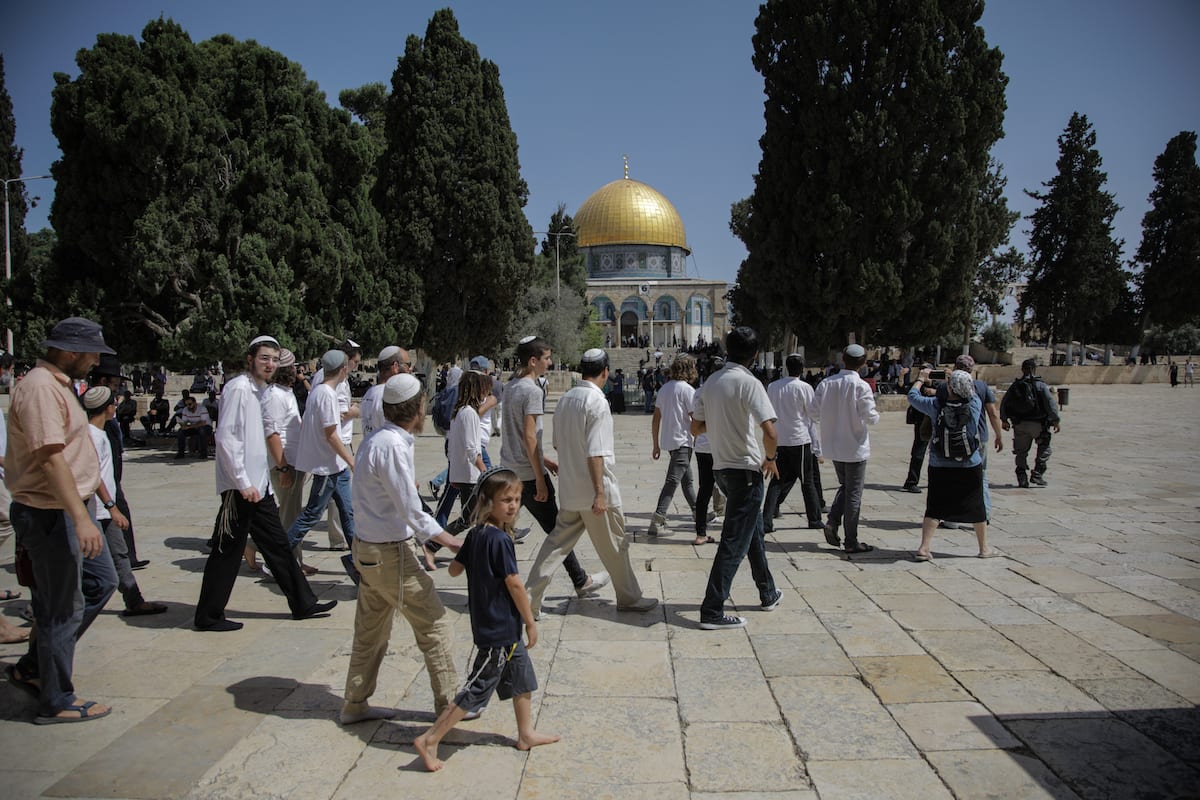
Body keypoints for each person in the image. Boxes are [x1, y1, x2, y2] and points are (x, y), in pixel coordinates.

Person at [5, 317, 118, 723]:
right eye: (91, 355)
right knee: (61, 607)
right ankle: (56, 699)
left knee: (100, 582)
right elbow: (50, 458)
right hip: (53, 513)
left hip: (71, 509)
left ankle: (38, 664)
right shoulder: (38, 388)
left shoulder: (58, 386)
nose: (94, 362)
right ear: (70, 352)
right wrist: (80, 518)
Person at [341, 373, 468, 725]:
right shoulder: (393, 446)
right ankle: (448, 707)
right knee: (435, 624)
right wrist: (451, 540)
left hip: (367, 549)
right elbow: (411, 510)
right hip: (387, 553)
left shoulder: (375, 440)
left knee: (371, 630)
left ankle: (355, 703)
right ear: (418, 409)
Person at [413, 468, 560, 771]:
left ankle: (525, 734)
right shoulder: (500, 540)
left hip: (498, 627)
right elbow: (514, 583)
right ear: (487, 501)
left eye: (517, 499)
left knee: (521, 679)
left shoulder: (477, 534)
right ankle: (430, 739)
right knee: (478, 687)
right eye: (506, 499)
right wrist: (530, 620)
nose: (513, 505)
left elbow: (454, 570)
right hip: (500, 628)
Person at [193, 335, 337, 632]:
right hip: (240, 488)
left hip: (259, 488)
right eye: (264, 358)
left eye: (273, 359)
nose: (270, 364)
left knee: (279, 546)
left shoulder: (261, 391)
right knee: (226, 552)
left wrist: (263, 484)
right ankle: (208, 616)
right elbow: (227, 439)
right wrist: (243, 482)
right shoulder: (238, 389)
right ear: (250, 359)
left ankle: (303, 603)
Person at [524, 349, 658, 617]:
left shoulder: (566, 399)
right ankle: (629, 598)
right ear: (605, 371)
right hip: (595, 491)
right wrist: (599, 493)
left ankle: (528, 599)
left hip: (571, 490)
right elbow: (596, 451)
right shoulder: (597, 402)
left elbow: (557, 444)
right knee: (616, 545)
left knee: (555, 546)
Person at [500, 336, 607, 598]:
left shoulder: (510, 387)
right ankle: (579, 581)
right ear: (533, 361)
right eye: (546, 358)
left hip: (509, 469)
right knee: (558, 534)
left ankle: (500, 584)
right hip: (527, 474)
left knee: (504, 532)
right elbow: (528, 436)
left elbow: (516, 434)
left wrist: (545, 460)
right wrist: (539, 477)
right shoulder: (533, 391)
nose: (550, 363)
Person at [691, 327, 782, 630]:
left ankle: (767, 592)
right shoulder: (749, 383)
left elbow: (696, 427)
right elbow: (770, 432)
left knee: (751, 529)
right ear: (755, 355)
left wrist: (719, 425)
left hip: (722, 470)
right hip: (745, 469)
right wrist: (769, 458)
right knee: (733, 542)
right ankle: (712, 609)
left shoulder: (711, 383)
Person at [82, 387, 167, 616]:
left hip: (105, 509)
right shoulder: (89, 435)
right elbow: (94, 475)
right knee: (87, 563)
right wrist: (112, 507)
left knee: (120, 554)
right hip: (95, 509)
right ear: (108, 408)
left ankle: (134, 600)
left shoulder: (102, 432)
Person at [907, 369, 999, 560]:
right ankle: (984, 548)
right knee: (976, 504)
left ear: (950, 387)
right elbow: (971, 391)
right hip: (970, 463)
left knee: (935, 505)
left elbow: (912, 396)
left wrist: (921, 379)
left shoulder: (935, 405)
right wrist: (957, 377)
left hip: (939, 463)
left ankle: (924, 547)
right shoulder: (974, 403)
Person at [288, 349, 357, 569]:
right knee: (312, 513)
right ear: (343, 369)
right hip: (328, 467)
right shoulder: (327, 394)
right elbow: (331, 434)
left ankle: (360, 561)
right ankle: (280, 554)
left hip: (337, 468)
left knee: (348, 512)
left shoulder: (317, 391)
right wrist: (351, 460)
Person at [812, 344, 879, 554]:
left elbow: (814, 412)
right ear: (863, 363)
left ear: (843, 359)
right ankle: (851, 540)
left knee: (846, 486)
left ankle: (832, 521)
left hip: (834, 446)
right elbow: (870, 416)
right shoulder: (861, 386)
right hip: (855, 446)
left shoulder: (826, 384)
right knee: (853, 493)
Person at [251, 348, 306, 574]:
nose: (296, 371)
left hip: (294, 461)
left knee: (291, 513)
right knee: (289, 516)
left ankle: (295, 560)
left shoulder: (286, 392)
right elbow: (272, 433)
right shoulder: (274, 396)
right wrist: (283, 468)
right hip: (285, 463)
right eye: (293, 367)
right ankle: (284, 564)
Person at [762, 353, 824, 534]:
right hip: (799, 439)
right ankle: (814, 518)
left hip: (780, 439)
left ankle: (767, 520)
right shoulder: (804, 387)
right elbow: (813, 413)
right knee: (807, 481)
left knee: (777, 480)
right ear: (802, 368)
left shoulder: (773, 387)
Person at [648, 356, 698, 536]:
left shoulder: (664, 389)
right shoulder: (687, 390)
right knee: (672, 482)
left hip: (670, 442)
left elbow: (656, 419)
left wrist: (655, 444)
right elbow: (695, 418)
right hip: (683, 441)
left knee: (687, 480)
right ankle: (658, 520)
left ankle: (698, 512)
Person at [999, 358, 1061, 488]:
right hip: (1038, 424)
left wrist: (1004, 420)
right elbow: (1050, 404)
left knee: (1021, 452)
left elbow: (1004, 403)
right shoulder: (1040, 385)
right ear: (1034, 369)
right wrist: (1055, 420)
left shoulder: (1016, 385)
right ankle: (1037, 473)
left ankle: (1022, 477)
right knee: (1044, 447)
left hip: (1019, 424)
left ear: (1022, 369)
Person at [359, 345, 406, 439]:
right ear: (395, 366)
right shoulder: (389, 396)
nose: (408, 369)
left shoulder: (369, 393)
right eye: (406, 365)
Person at [174, 394, 213, 459]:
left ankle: (203, 453)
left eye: (190, 404)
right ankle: (181, 453)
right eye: (186, 405)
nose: (188, 406)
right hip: (193, 427)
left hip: (206, 426)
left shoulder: (202, 409)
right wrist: (183, 425)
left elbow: (203, 423)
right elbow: (185, 421)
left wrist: (190, 426)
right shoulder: (185, 410)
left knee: (202, 431)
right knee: (180, 432)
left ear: (195, 403)